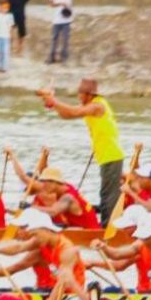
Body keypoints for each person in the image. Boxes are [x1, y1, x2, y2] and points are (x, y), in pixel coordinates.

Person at [35, 78, 120, 223]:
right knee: (104, 194)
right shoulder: (89, 105)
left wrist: (53, 100)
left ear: (88, 94)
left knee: (109, 196)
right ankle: (103, 224)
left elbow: (74, 112)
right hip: (104, 156)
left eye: (80, 94)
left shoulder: (97, 106)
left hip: (112, 155)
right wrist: (52, 103)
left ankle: (108, 228)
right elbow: (66, 115)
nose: (79, 97)